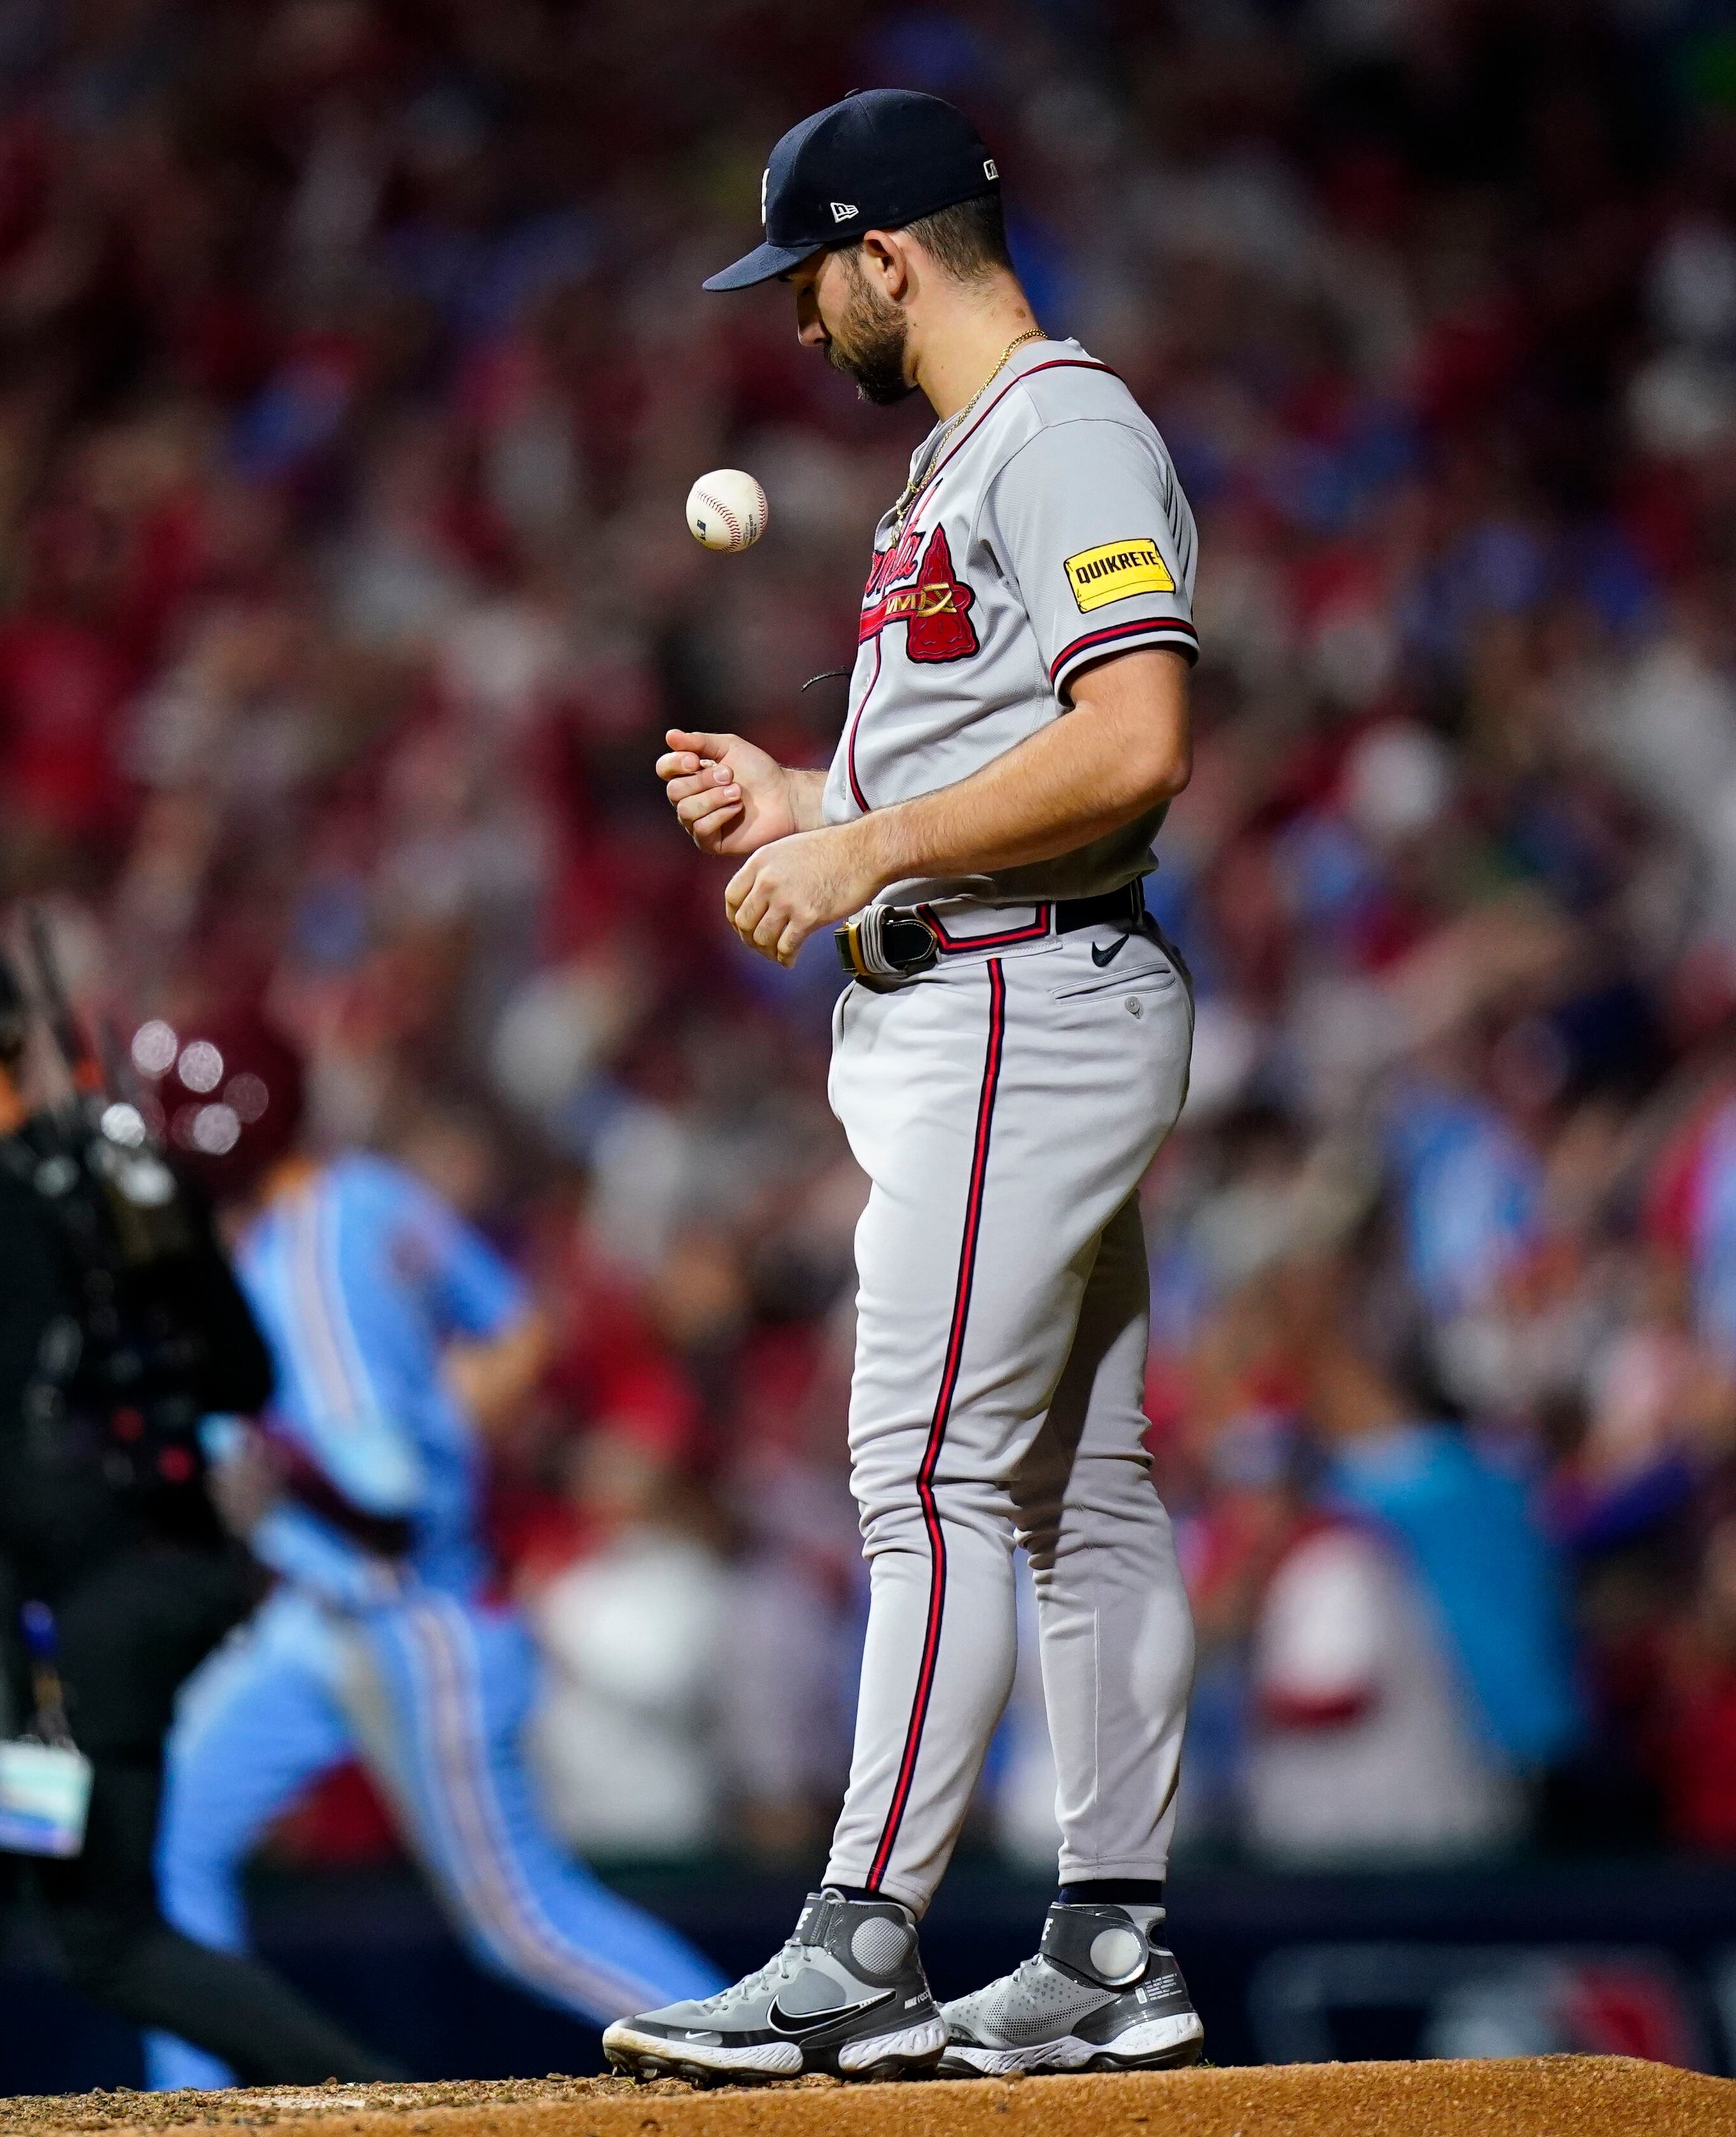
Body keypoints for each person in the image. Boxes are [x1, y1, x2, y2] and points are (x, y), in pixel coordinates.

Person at [607, 90, 1205, 2084]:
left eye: (809, 284)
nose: (799, 329)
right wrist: (816, 802)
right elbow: (998, 753)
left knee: (925, 1479)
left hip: (1019, 1001)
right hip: (999, 987)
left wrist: (860, 856)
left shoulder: (1064, 430)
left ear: (886, 254)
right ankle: (1111, 1944)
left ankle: (861, 1938)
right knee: (1076, 1495)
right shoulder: (971, 455)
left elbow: (1134, 745)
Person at [0, 924, 390, 2099]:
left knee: (106, 1935)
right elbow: (242, 1375)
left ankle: (377, 2100)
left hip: (70, 1625)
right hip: (160, 1585)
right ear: (20, 1040)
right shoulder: (120, 1168)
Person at [136, 1010, 723, 2093]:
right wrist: (447, 1424)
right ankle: (194, 2103)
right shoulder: (371, 1193)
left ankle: (756, 2070)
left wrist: (275, 1461)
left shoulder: (305, 1266)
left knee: (524, 1922)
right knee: (170, 1831)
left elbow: (384, 1501)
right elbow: (518, 1330)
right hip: (324, 1619)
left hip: (412, 1617)